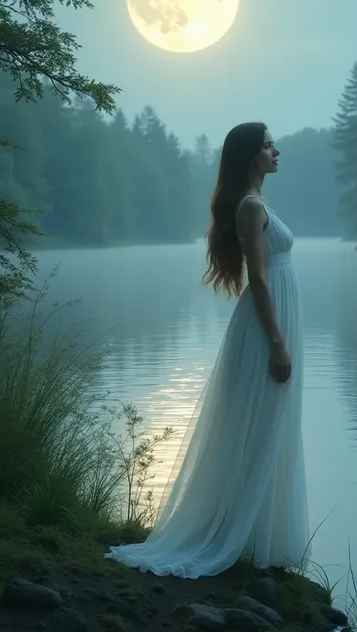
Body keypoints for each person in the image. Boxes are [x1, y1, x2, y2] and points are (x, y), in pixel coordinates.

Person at [105, 122, 310, 578]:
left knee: (269, 427)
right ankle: (233, 538)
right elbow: (258, 277)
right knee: (255, 427)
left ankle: (256, 539)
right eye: (268, 146)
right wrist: (276, 341)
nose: (277, 151)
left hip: (277, 320)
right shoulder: (251, 207)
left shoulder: (257, 202)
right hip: (265, 328)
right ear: (249, 156)